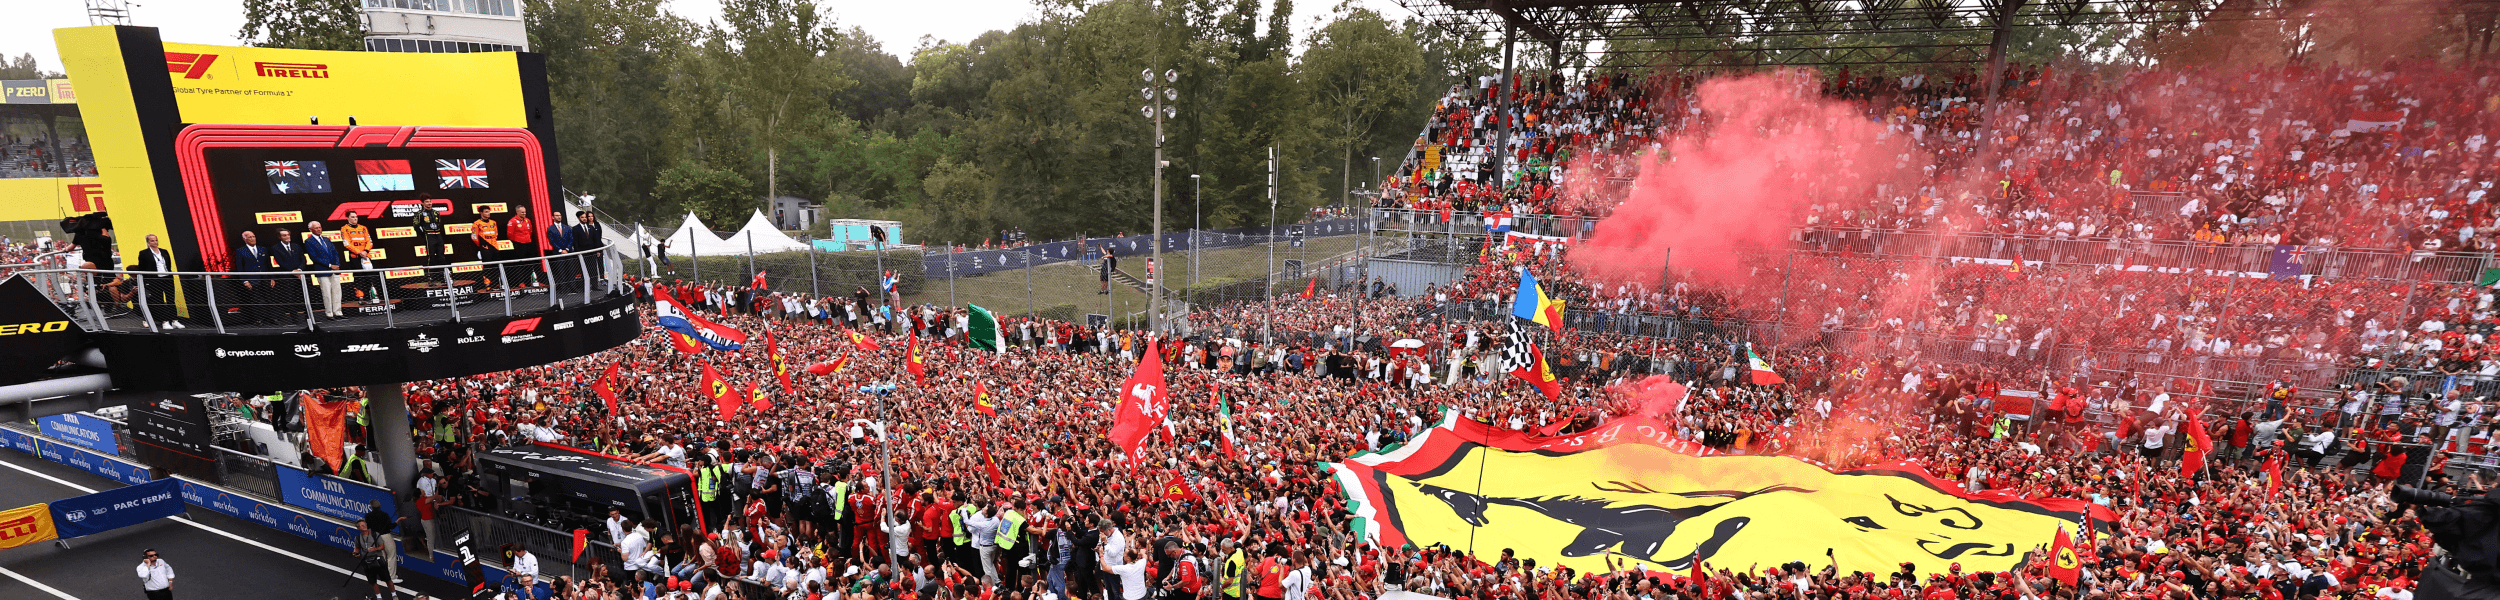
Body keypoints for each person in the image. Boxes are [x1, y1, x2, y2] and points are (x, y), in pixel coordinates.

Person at [128, 233, 181, 329]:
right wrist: (146, 281)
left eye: (156, 240)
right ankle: (165, 321)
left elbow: (168, 265)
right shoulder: (144, 253)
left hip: (167, 278)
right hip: (155, 280)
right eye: (152, 240)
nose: (155, 242)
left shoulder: (164, 251)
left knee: (171, 299)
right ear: (148, 242)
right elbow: (142, 268)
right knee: (159, 300)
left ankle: (174, 320)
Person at [305, 220, 344, 320]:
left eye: (320, 227)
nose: (319, 229)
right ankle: (329, 313)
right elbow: (314, 257)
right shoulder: (309, 241)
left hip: (334, 269)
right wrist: (330, 265)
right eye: (316, 228)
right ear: (310, 229)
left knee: (337, 291)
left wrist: (337, 264)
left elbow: (335, 252)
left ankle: (338, 312)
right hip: (322, 270)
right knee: (326, 293)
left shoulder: (326, 239)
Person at [229, 230, 270, 324]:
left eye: (253, 236)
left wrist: (271, 277)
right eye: (250, 237)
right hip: (252, 280)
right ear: (244, 239)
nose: (252, 239)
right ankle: (258, 319)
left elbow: (268, 265)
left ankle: (270, 318)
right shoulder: (240, 251)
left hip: (265, 279)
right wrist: (245, 280)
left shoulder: (263, 249)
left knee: (268, 299)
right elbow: (240, 267)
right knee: (255, 300)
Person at [355, 519, 391, 600]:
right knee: (372, 581)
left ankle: (394, 595)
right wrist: (355, 553)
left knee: (387, 579)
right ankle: (379, 597)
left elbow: (382, 546)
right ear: (358, 528)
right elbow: (357, 548)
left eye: (365, 524)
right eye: (362, 525)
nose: (364, 526)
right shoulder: (358, 538)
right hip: (367, 562)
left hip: (378, 560)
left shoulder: (375, 534)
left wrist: (375, 549)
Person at [543, 208, 575, 291]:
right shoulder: (550, 228)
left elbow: (571, 239)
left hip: (568, 253)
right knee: (561, 271)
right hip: (558, 253)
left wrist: (567, 249)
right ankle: (563, 288)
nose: (559, 217)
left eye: (560, 215)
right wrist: (560, 250)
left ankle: (572, 287)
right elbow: (552, 241)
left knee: (571, 270)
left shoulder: (567, 227)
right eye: (557, 215)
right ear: (553, 217)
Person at [506, 206, 538, 286]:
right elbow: (510, 234)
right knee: (520, 264)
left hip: (528, 243)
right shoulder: (512, 221)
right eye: (522, 212)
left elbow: (530, 231)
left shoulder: (527, 220)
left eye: (525, 212)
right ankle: (521, 282)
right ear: (517, 212)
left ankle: (529, 281)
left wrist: (526, 239)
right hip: (519, 245)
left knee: (529, 263)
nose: (524, 213)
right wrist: (517, 241)